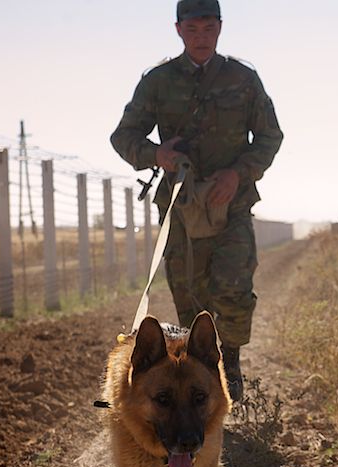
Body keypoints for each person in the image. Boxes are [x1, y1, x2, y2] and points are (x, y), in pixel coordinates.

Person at [111, 0, 283, 402]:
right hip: (181, 207)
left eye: (208, 28)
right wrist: (158, 155)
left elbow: (271, 136)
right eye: (193, 29)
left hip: (232, 205)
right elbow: (123, 136)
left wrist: (237, 173)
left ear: (220, 28)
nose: (201, 37)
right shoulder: (158, 80)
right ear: (178, 30)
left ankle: (231, 360)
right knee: (189, 299)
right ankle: (200, 381)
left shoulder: (243, 79)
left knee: (233, 291)